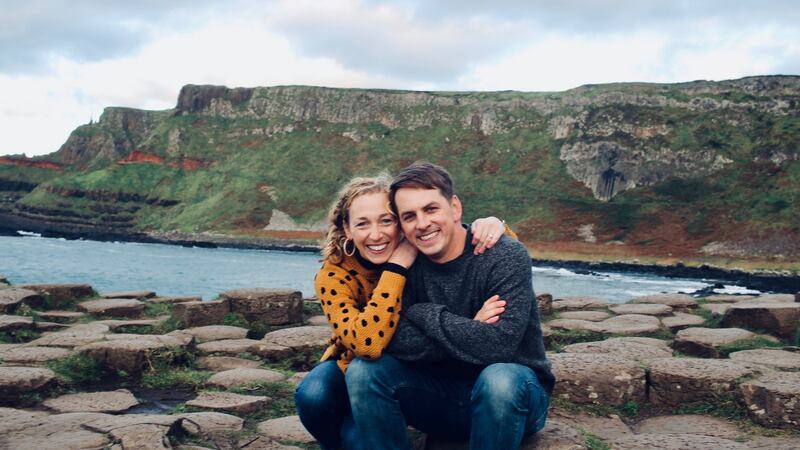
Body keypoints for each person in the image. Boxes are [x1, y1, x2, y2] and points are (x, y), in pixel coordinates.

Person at [344, 162, 554, 450]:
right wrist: (471, 327)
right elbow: (394, 340)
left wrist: (422, 314)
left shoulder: (504, 255)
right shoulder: (403, 264)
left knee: (499, 378)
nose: (422, 224)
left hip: (512, 399)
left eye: (431, 209)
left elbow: (498, 346)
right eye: (409, 216)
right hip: (440, 396)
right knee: (364, 371)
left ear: (455, 208)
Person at [295, 172, 512, 450]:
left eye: (386, 220)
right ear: (347, 229)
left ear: (400, 221)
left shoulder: (422, 246)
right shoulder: (334, 275)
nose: (376, 234)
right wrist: (396, 268)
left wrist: (492, 224)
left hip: (416, 362)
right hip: (355, 362)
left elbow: (470, 242)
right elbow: (367, 344)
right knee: (314, 394)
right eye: (362, 224)